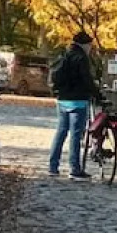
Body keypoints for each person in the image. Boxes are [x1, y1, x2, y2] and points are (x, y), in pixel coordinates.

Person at [49, 30, 97, 180]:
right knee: (76, 135)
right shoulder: (81, 58)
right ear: (85, 45)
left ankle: (53, 167)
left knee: (61, 132)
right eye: (89, 45)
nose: (90, 48)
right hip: (78, 101)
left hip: (62, 100)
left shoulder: (64, 55)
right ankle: (74, 169)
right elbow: (86, 80)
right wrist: (97, 94)